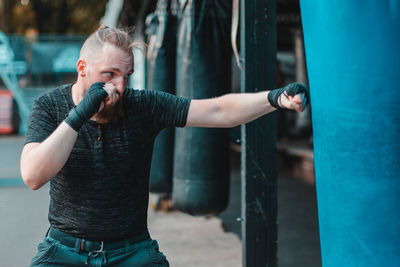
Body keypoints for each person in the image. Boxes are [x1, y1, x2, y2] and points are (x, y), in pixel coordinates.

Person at [21, 26, 309, 266]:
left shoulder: (142, 104)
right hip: (64, 251)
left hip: (131, 252)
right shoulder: (49, 107)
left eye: (127, 75)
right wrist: (81, 113)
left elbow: (218, 110)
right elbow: (33, 175)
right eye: (109, 75)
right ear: (82, 68)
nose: (119, 87)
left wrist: (274, 98)